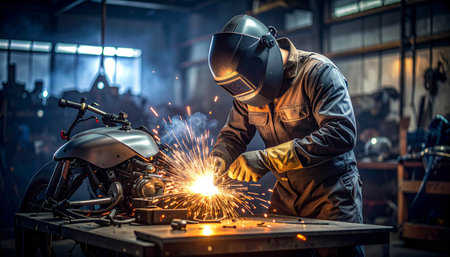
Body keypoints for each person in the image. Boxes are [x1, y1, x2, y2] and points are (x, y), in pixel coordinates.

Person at [207, 15, 364, 257]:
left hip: (331, 196)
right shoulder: (246, 84)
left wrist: (267, 159)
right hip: (286, 196)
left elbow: (341, 133)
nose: (246, 98)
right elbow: (234, 134)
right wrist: (220, 155)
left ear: (265, 55)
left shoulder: (318, 73)